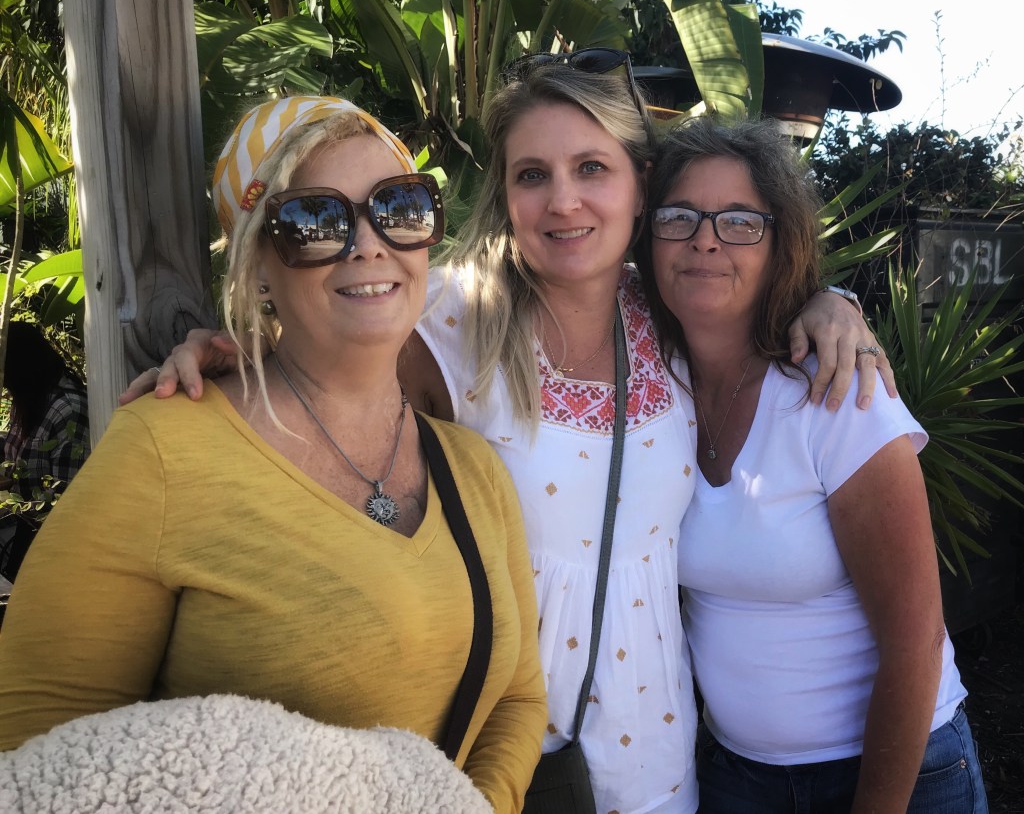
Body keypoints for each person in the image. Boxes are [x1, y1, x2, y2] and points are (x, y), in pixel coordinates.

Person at [121, 54, 891, 814]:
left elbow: (758, 293)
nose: (563, 201)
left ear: (640, 185)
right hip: (500, 766)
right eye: (532, 174)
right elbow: (324, 360)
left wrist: (831, 303)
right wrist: (235, 356)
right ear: (505, 192)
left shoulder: (669, 311)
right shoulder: (448, 321)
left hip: (661, 766)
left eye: (592, 168)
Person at [0, 97, 548, 814]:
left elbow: (517, 699)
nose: (368, 244)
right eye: (315, 221)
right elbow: (37, 758)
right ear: (258, 264)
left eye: (399, 206)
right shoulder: (163, 452)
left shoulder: (474, 470)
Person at [638, 116, 987, 813]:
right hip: (738, 777)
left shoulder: (837, 393)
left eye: (740, 221)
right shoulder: (653, 384)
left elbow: (916, 639)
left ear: (780, 247)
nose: (705, 239)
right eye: (678, 217)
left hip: (897, 773)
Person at [0, 321, 90, 580]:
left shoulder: (69, 410)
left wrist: (11, 504)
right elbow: (19, 451)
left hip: (50, 545)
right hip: (24, 530)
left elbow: (66, 502)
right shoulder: (32, 398)